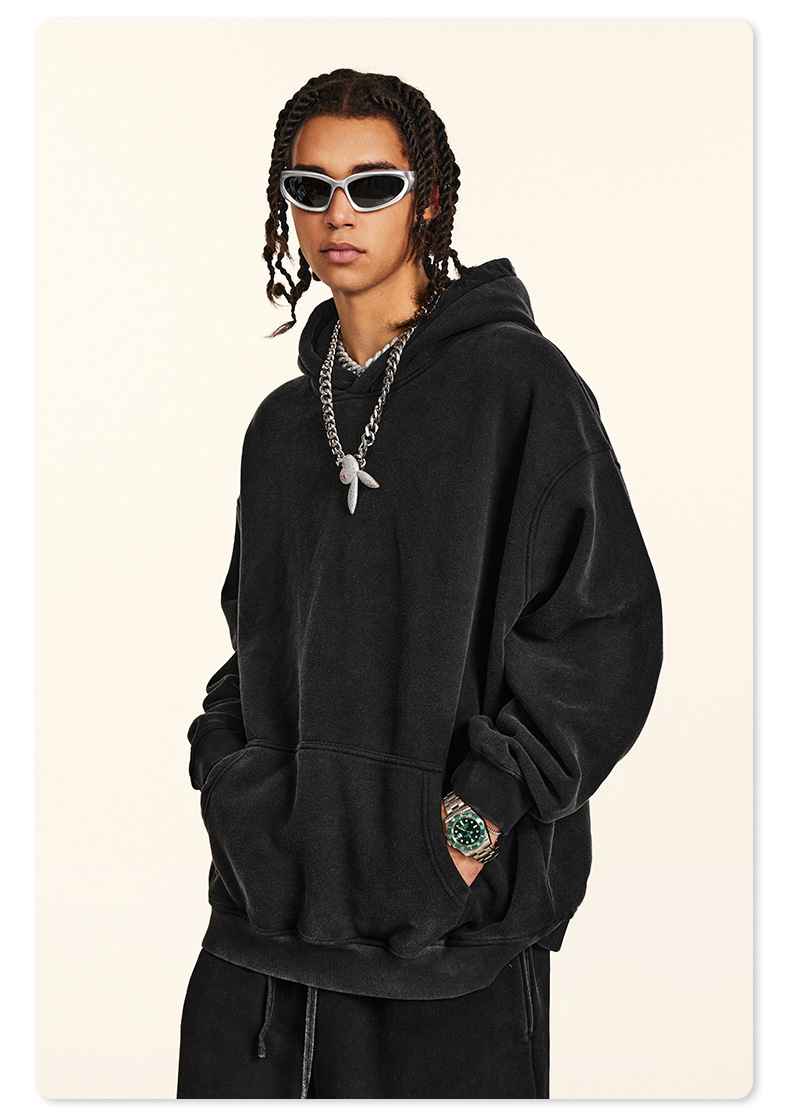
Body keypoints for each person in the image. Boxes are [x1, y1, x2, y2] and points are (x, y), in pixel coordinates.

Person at [176, 68, 663, 1100]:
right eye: (310, 188)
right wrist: (229, 778)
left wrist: (466, 834)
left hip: (451, 953)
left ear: (428, 199)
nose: (338, 213)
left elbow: (602, 635)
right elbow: (254, 637)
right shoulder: (281, 428)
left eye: (372, 184)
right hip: (259, 942)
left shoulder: (518, 388)